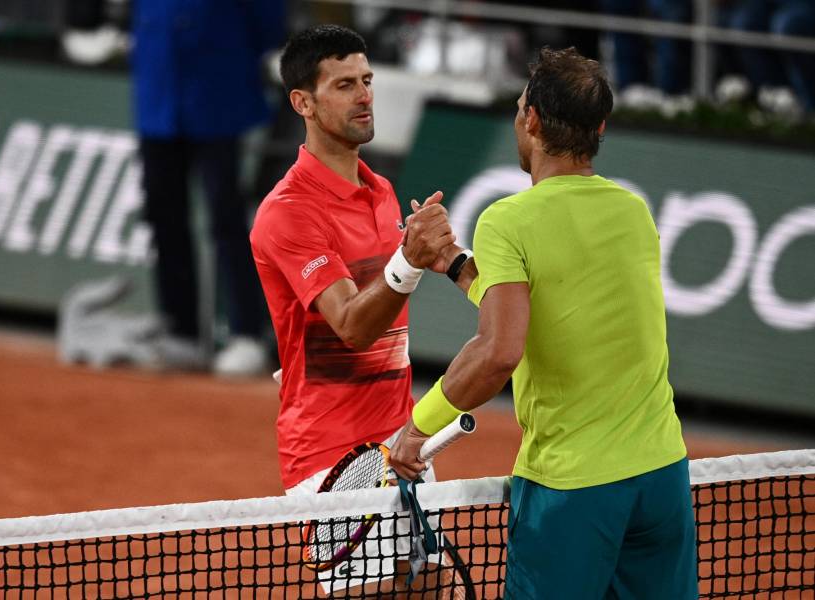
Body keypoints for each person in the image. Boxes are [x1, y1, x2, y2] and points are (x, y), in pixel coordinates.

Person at [390, 47, 698, 599]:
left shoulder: (509, 219)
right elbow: (551, 305)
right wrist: (457, 266)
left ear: (530, 120)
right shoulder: (633, 211)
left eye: (517, 108)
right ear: (599, 128)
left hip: (572, 488)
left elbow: (499, 350)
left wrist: (419, 426)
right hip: (662, 479)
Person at [249, 25, 456, 596]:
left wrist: (441, 258)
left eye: (366, 80)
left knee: (432, 589)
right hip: (334, 458)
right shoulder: (287, 212)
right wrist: (408, 262)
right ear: (303, 103)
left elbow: (382, 294)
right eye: (344, 85)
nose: (365, 95)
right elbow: (352, 327)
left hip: (403, 441)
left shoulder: (382, 190)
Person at [132, 0, 284, 376]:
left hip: (219, 93)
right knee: (164, 214)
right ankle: (180, 329)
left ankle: (247, 331)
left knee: (228, 220)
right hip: (157, 89)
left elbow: (268, 22)